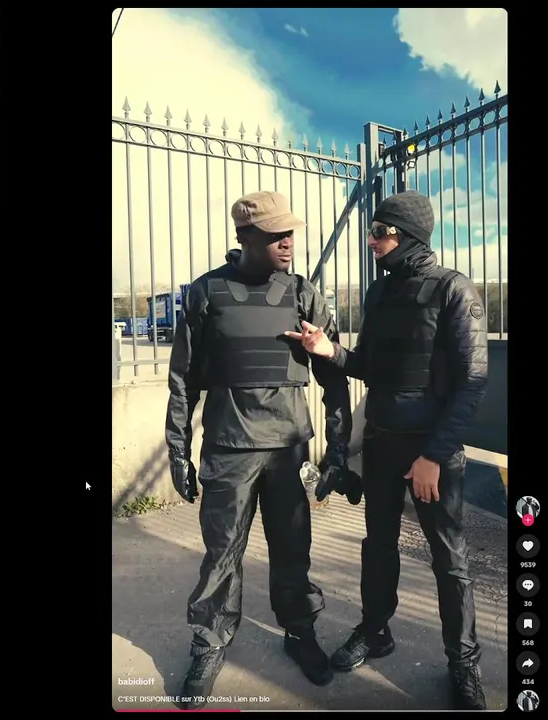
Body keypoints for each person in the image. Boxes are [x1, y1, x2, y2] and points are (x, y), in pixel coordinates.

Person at [285, 190, 490, 709]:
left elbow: (472, 383)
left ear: (408, 236)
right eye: (371, 231)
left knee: (449, 560)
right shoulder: (379, 294)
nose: (371, 240)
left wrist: (434, 457)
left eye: (380, 232)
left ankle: (463, 662)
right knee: (378, 546)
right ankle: (375, 631)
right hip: (380, 444)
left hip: (431, 453)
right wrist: (328, 350)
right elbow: (370, 366)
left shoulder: (453, 290)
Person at [165, 190, 361, 710]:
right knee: (221, 555)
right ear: (245, 237)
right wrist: (178, 449)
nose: (288, 242)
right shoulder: (207, 292)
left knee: (293, 552)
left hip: (288, 450)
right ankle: (210, 645)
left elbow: (333, 377)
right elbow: (183, 378)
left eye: (290, 233)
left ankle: (300, 632)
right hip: (229, 449)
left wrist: (337, 450)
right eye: (276, 234)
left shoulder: (303, 293)